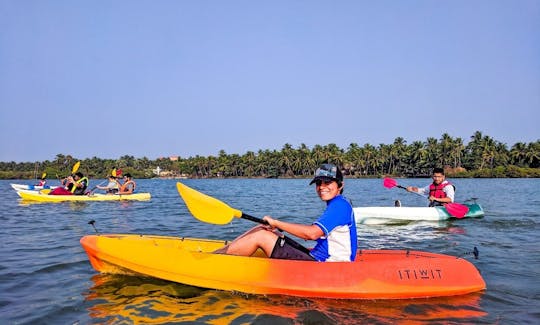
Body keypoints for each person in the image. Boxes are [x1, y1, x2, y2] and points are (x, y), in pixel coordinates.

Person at [214, 163, 357, 262]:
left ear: (340, 185)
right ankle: (218, 255)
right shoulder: (338, 203)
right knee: (262, 228)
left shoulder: (339, 206)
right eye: (319, 183)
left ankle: (215, 261)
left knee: (261, 236)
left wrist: (277, 223)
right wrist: (277, 227)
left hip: (327, 264)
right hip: (317, 256)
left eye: (328, 182)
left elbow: (311, 234)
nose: (321, 187)